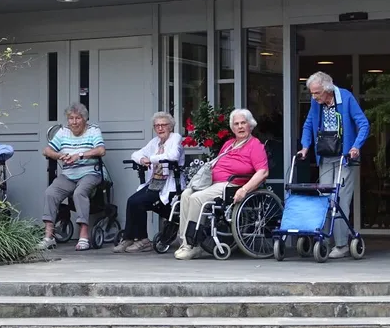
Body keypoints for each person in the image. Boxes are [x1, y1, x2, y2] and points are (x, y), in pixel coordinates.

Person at [175, 108, 269, 260]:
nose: (240, 127)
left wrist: (244, 189)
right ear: (232, 127)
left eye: (243, 123)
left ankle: (192, 245)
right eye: (236, 124)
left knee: (196, 198)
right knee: (186, 194)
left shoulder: (255, 145)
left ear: (250, 125)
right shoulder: (229, 144)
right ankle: (185, 242)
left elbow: (263, 172)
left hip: (232, 185)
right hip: (213, 183)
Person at [298, 71, 370, 259]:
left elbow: (363, 124)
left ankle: (341, 245)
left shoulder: (345, 98)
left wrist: (356, 146)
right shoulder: (316, 102)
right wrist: (305, 146)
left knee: (340, 200)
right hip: (325, 156)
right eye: (312, 93)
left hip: (345, 158)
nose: (314, 97)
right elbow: (308, 125)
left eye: (317, 93)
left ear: (328, 89)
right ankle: (323, 240)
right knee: (325, 199)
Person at [114, 112, 185, 253]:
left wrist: (151, 159)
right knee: (132, 201)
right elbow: (135, 154)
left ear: (170, 127)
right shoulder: (155, 142)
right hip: (154, 183)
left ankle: (143, 241)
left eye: (163, 125)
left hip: (170, 185)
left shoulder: (175, 138)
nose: (160, 128)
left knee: (138, 202)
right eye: (157, 126)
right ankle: (129, 238)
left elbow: (173, 155)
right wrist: (142, 160)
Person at [39, 103, 106, 251]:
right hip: (69, 175)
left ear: (85, 119)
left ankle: (84, 236)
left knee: (79, 193)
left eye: (78, 118)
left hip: (90, 173)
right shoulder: (63, 132)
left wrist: (79, 155)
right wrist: (60, 155)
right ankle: (49, 237)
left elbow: (101, 150)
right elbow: (46, 150)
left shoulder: (93, 130)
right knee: (50, 193)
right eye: (71, 118)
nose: (74, 122)